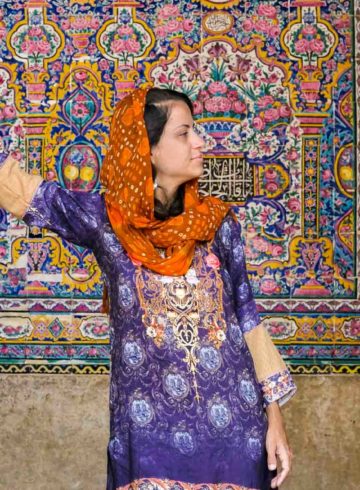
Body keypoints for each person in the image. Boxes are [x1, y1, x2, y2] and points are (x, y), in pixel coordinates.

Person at [0, 87, 296, 490]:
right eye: (184, 133)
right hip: (148, 436)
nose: (199, 142)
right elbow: (25, 191)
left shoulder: (219, 225)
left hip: (237, 434)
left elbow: (249, 321)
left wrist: (274, 420)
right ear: (148, 149)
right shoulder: (106, 222)